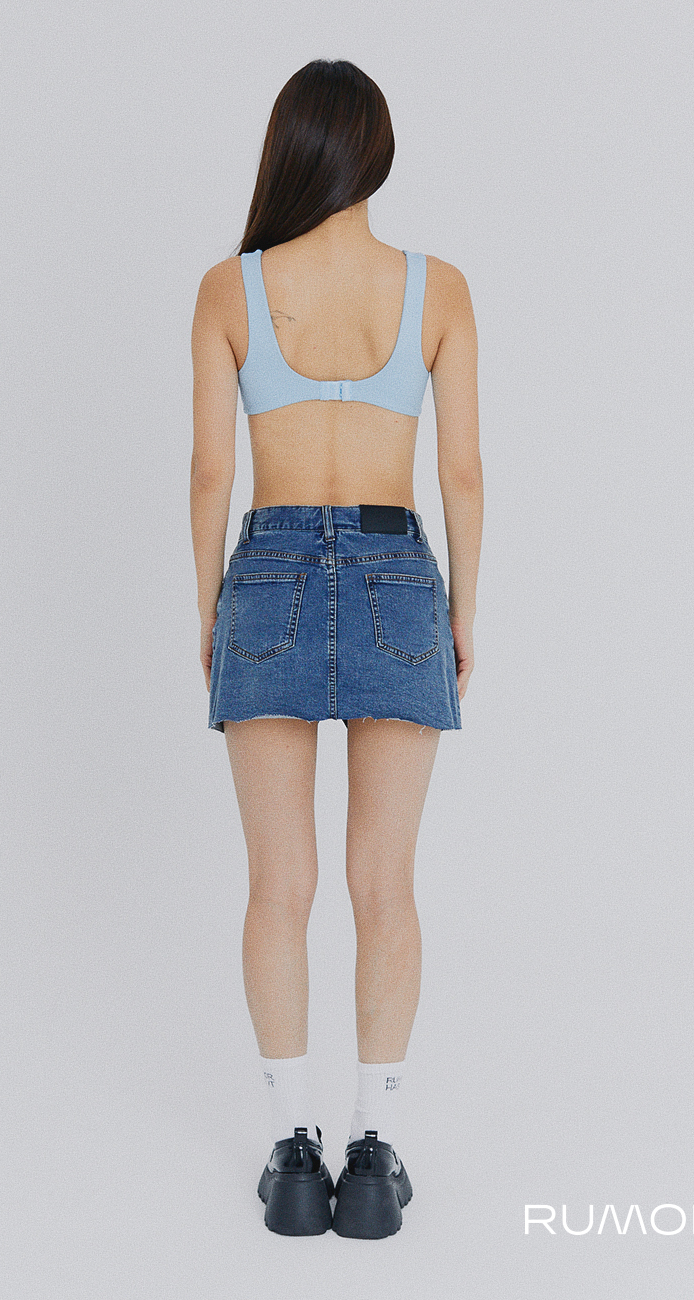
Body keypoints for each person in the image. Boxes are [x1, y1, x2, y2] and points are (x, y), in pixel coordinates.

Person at [189, 58, 482, 1238]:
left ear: (288, 150)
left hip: (264, 570)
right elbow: (460, 470)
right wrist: (463, 610)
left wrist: (207, 607)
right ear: (377, 152)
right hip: (395, 572)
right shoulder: (436, 288)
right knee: (383, 884)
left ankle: (292, 1151)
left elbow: (210, 470)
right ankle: (372, 1151)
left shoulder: (230, 288)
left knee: (279, 884)